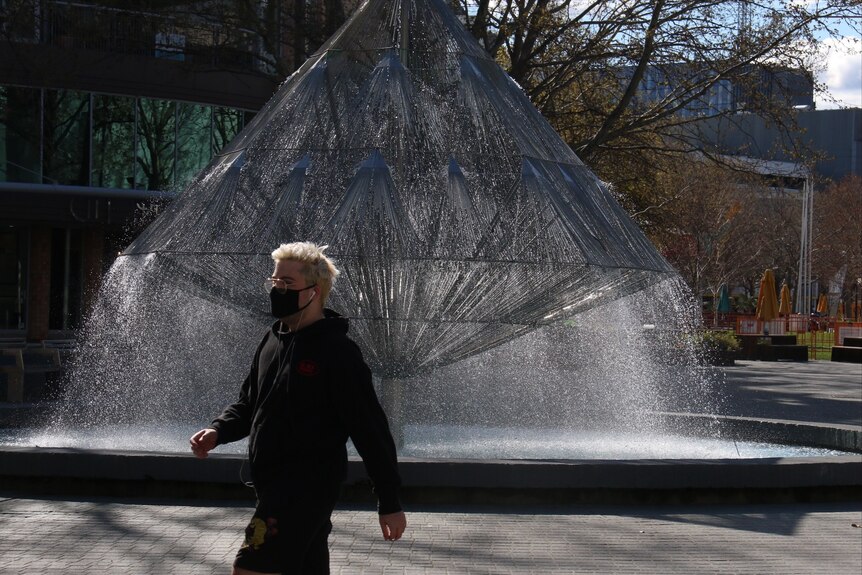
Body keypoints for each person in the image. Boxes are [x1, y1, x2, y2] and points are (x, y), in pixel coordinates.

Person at [190, 241, 407, 575]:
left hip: (305, 488)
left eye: (287, 284)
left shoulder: (338, 352)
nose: (277, 290)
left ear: (314, 291)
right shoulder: (273, 338)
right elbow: (250, 402)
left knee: (249, 569)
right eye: (274, 282)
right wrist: (218, 430)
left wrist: (389, 502)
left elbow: (370, 429)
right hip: (272, 484)